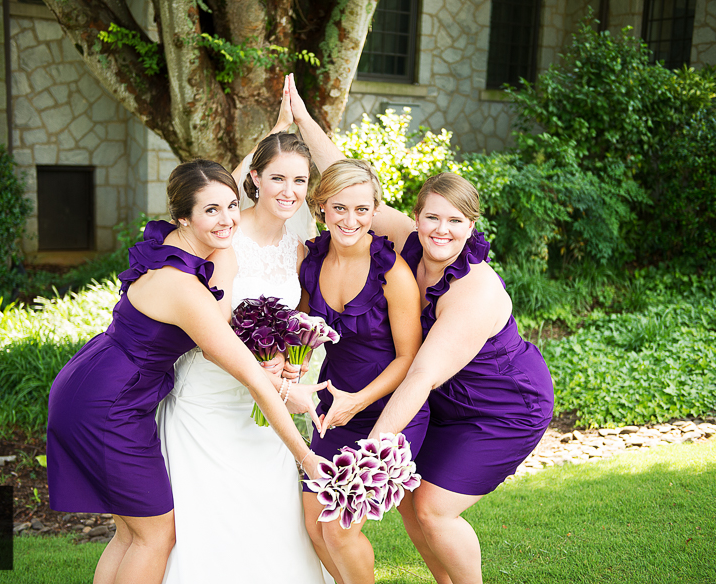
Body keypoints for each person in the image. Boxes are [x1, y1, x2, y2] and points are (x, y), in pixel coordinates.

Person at [46, 158, 324, 584]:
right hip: (106, 403)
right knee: (155, 535)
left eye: (232, 205)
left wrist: (282, 127)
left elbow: (204, 185)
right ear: (182, 217)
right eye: (211, 211)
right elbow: (249, 374)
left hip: (104, 385)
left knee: (131, 532)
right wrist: (305, 456)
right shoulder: (181, 286)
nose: (228, 218)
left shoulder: (177, 247)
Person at [156, 77, 332, 583]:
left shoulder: (300, 249)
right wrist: (271, 131)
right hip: (210, 394)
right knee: (212, 520)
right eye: (277, 178)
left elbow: (294, 317)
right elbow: (208, 196)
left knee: (273, 516)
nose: (290, 192)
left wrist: (291, 362)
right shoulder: (223, 236)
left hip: (263, 397)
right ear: (254, 179)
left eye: (300, 181)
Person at [367, 174, 555, 584]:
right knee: (407, 496)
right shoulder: (409, 243)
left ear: (471, 227)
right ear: (415, 218)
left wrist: (372, 448)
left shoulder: (475, 290)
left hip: (505, 406)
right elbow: (353, 188)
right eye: (432, 217)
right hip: (450, 400)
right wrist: (301, 117)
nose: (441, 229)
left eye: (455, 221)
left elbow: (421, 376)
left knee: (433, 508)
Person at [298, 157, 428, 584]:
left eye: (361, 209)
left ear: (375, 211)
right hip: (334, 410)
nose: (350, 219)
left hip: (389, 410)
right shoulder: (311, 264)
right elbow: (301, 330)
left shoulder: (393, 273)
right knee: (314, 524)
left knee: (338, 527)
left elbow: (409, 358)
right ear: (321, 207)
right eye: (339, 208)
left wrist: (359, 401)